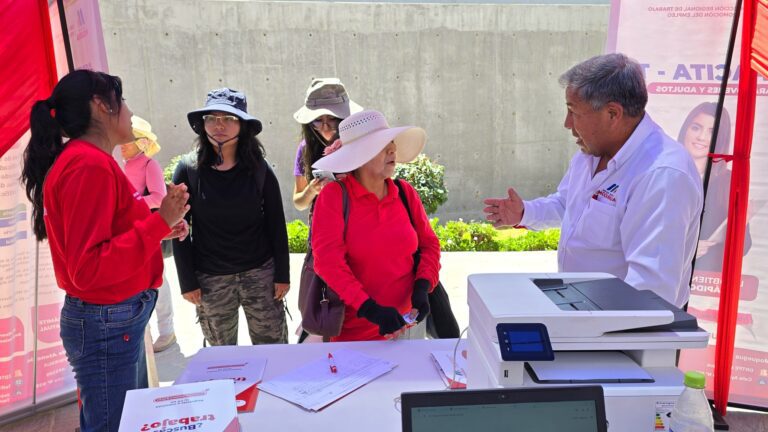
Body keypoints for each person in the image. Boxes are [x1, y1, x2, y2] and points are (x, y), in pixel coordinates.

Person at [21, 69, 189, 432]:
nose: (128, 111)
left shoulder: (88, 161)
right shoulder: (88, 165)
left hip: (113, 321)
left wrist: (161, 223)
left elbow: (109, 234)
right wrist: (159, 224)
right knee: (117, 425)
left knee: (125, 420)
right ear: (101, 105)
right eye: (123, 101)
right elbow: (89, 265)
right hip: (108, 322)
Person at [483, 53, 703, 308]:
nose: (567, 124)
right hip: (582, 314)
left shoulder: (662, 176)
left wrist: (591, 336)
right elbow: (568, 204)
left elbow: (650, 293)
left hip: (624, 335)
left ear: (612, 113)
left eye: (573, 112)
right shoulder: (590, 154)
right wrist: (525, 213)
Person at [172, 88, 290, 346]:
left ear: (243, 125)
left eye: (228, 118)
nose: (219, 125)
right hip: (211, 279)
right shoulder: (188, 169)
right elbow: (179, 230)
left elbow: (276, 224)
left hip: (260, 274)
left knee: (273, 349)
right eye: (211, 118)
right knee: (222, 358)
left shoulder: (259, 168)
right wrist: (187, 281)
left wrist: (283, 274)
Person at [311, 110, 441, 341]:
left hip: (408, 326)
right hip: (355, 334)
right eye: (382, 145)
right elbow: (328, 263)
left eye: (392, 143)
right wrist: (369, 308)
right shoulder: (333, 196)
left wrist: (422, 288)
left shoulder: (405, 193)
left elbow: (429, 245)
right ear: (358, 156)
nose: (392, 150)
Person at [120, 115, 177, 352]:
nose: (122, 144)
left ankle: (167, 331)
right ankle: (148, 332)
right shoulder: (126, 165)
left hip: (150, 231)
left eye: (128, 140)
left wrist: (125, 204)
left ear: (142, 143)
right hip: (134, 231)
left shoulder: (149, 165)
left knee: (157, 281)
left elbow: (158, 197)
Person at [676, 102, 751, 270]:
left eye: (712, 132)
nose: (701, 137)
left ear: (721, 138)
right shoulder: (663, 172)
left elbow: (743, 248)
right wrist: (687, 246)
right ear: (685, 130)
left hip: (704, 279)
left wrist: (741, 223)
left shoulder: (729, 181)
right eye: (696, 128)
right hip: (663, 273)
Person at [292, 78, 363, 211]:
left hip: (358, 221)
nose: (325, 127)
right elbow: (298, 203)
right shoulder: (305, 148)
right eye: (317, 120)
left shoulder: (360, 142)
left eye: (332, 118)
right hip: (323, 224)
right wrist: (312, 190)